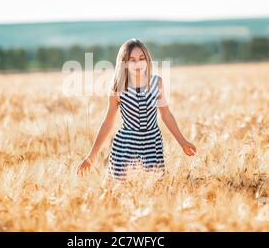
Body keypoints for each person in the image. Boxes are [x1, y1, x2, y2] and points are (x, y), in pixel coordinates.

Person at [77, 38, 196, 183]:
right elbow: (108, 123)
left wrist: (182, 142)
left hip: (153, 145)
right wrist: (91, 157)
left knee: (154, 189)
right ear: (124, 63)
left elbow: (166, 115)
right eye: (132, 60)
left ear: (147, 60)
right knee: (123, 191)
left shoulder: (156, 82)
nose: (138, 63)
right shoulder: (118, 87)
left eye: (141, 58)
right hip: (126, 147)